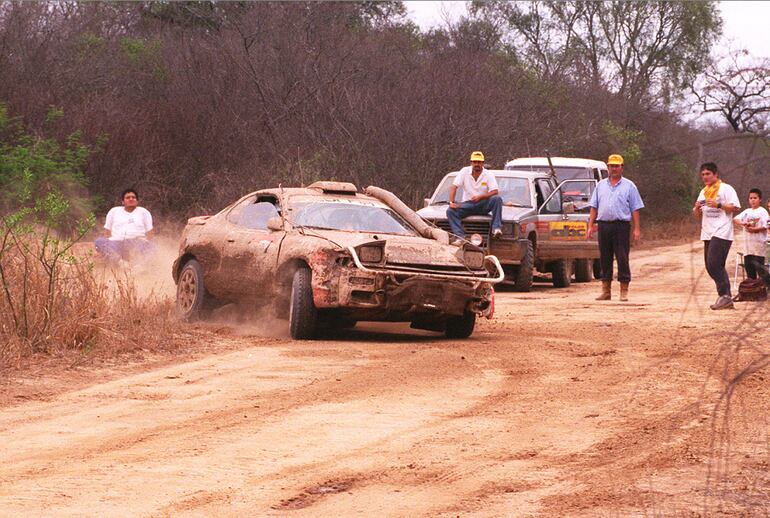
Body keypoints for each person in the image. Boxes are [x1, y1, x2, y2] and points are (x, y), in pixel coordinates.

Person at [586, 154, 644, 301]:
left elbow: (635, 208)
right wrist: (590, 225)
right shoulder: (600, 186)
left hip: (621, 226)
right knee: (605, 258)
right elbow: (594, 206)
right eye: (611, 166)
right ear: (608, 167)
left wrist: (637, 229)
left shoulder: (629, 186)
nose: (614, 168)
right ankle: (606, 291)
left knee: (622, 258)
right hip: (604, 225)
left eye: (617, 166)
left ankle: (624, 291)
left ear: (622, 167)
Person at [692, 162, 740, 310]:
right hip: (707, 231)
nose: (705, 177)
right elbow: (697, 215)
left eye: (708, 174)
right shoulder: (704, 191)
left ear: (716, 174)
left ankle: (725, 296)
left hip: (722, 230)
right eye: (703, 175)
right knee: (709, 266)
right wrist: (697, 208)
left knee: (714, 263)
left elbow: (736, 207)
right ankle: (725, 296)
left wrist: (719, 205)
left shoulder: (726, 188)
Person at [447, 151, 503, 241]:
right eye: (475, 162)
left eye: (479, 162)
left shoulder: (489, 174)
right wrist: (451, 202)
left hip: (483, 204)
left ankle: (496, 229)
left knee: (497, 199)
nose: (477, 164)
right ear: (471, 162)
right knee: (450, 211)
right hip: (468, 204)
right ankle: (460, 236)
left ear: (483, 163)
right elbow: (454, 186)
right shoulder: (464, 171)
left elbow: (495, 191)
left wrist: (481, 197)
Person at [95, 188, 154, 265]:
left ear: (137, 201)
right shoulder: (114, 211)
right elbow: (107, 232)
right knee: (99, 241)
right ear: (122, 201)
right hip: (117, 242)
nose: (131, 199)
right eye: (128, 197)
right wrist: (104, 250)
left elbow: (150, 232)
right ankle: (121, 263)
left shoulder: (143, 212)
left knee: (153, 243)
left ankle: (141, 266)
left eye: (133, 197)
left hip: (137, 242)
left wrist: (148, 244)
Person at [733, 188, 769, 285]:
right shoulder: (747, 211)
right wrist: (743, 222)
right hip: (748, 247)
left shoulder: (762, 211)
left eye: (755, 198)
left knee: (760, 269)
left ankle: (766, 288)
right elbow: (736, 219)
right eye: (750, 198)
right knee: (749, 268)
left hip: (759, 246)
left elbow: (766, 226)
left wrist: (755, 230)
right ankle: (752, 290)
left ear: (760, 199)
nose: (752, 200)